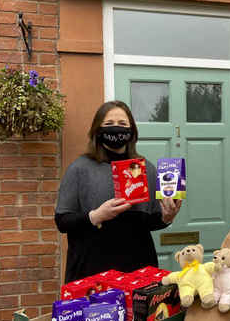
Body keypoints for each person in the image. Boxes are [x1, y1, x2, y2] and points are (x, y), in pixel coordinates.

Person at [55, 100, 181, 283]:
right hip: (92, 269)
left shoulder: (146, 168)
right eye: (108, 124)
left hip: (139, 267)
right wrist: (96, 216)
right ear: (97, 130)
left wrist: (167, 217)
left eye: (122, 124)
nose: (116, 129)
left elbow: (150, 221)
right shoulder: (80, 168)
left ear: (132, 131)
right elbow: (62, 221)